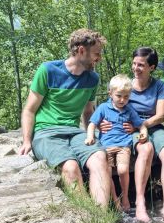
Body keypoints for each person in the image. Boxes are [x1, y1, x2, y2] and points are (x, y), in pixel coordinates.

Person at [18, 28, 111, 207]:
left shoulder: (92, 78)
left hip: (75, 132)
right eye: (96, 54)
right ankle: (90, 220)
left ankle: (103, 219)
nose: (99, 58)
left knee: (100, 158)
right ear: (82, 51)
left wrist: (93, 133)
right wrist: (27, 141)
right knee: (70, 167)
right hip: (46, 132)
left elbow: (88, 112)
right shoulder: (48, 70)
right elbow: (29, 110)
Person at [101, 47, 164, 223]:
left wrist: (142, 124)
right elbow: (109, 107)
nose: (136, 68)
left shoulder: (159, 86)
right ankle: (140, 202)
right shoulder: (125, 85)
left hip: (153, 126)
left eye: (141, 65)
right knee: (146, 148)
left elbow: (161, 115)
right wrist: (102, 123)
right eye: (134, 63)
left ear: (152, 67)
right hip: (130, 129)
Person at [85, 74, 148, 211]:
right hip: (106, 146)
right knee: (106, 171)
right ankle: (116, 200)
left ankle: (125, 196)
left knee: (123, 169)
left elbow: (140, 125)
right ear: (110, 93)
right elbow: (91, 124)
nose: (122, 100)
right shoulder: (103, 108)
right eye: (119, 96)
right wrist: (90, 136)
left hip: (123, 146)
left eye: (126, 97)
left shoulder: (129, 110)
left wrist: (143, 133)